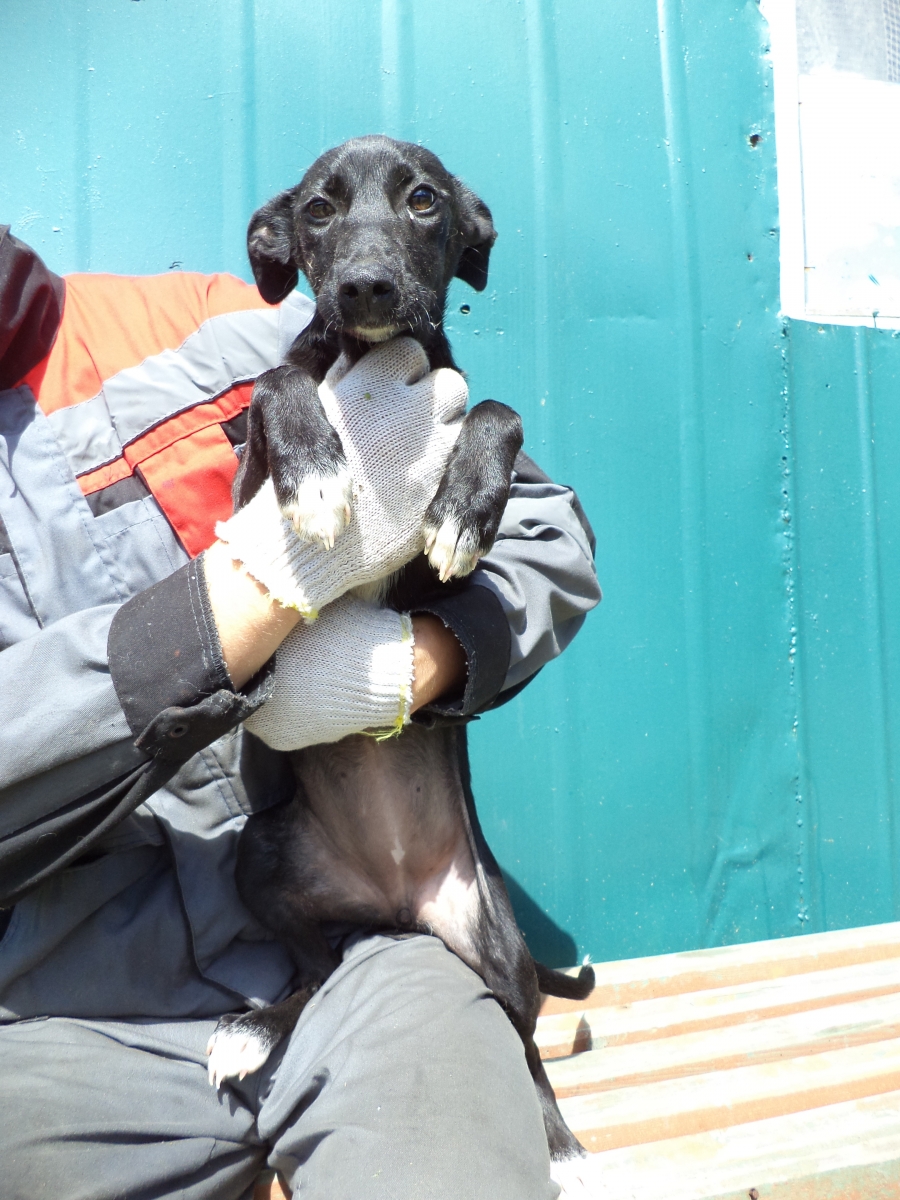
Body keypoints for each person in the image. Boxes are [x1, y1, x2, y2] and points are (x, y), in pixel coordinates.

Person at [0, 225, 600, 1200]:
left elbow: (542, 529)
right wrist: (248, 596)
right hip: (70, 1023)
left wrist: (416, 664)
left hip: (370, 947)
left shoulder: (216, 329)